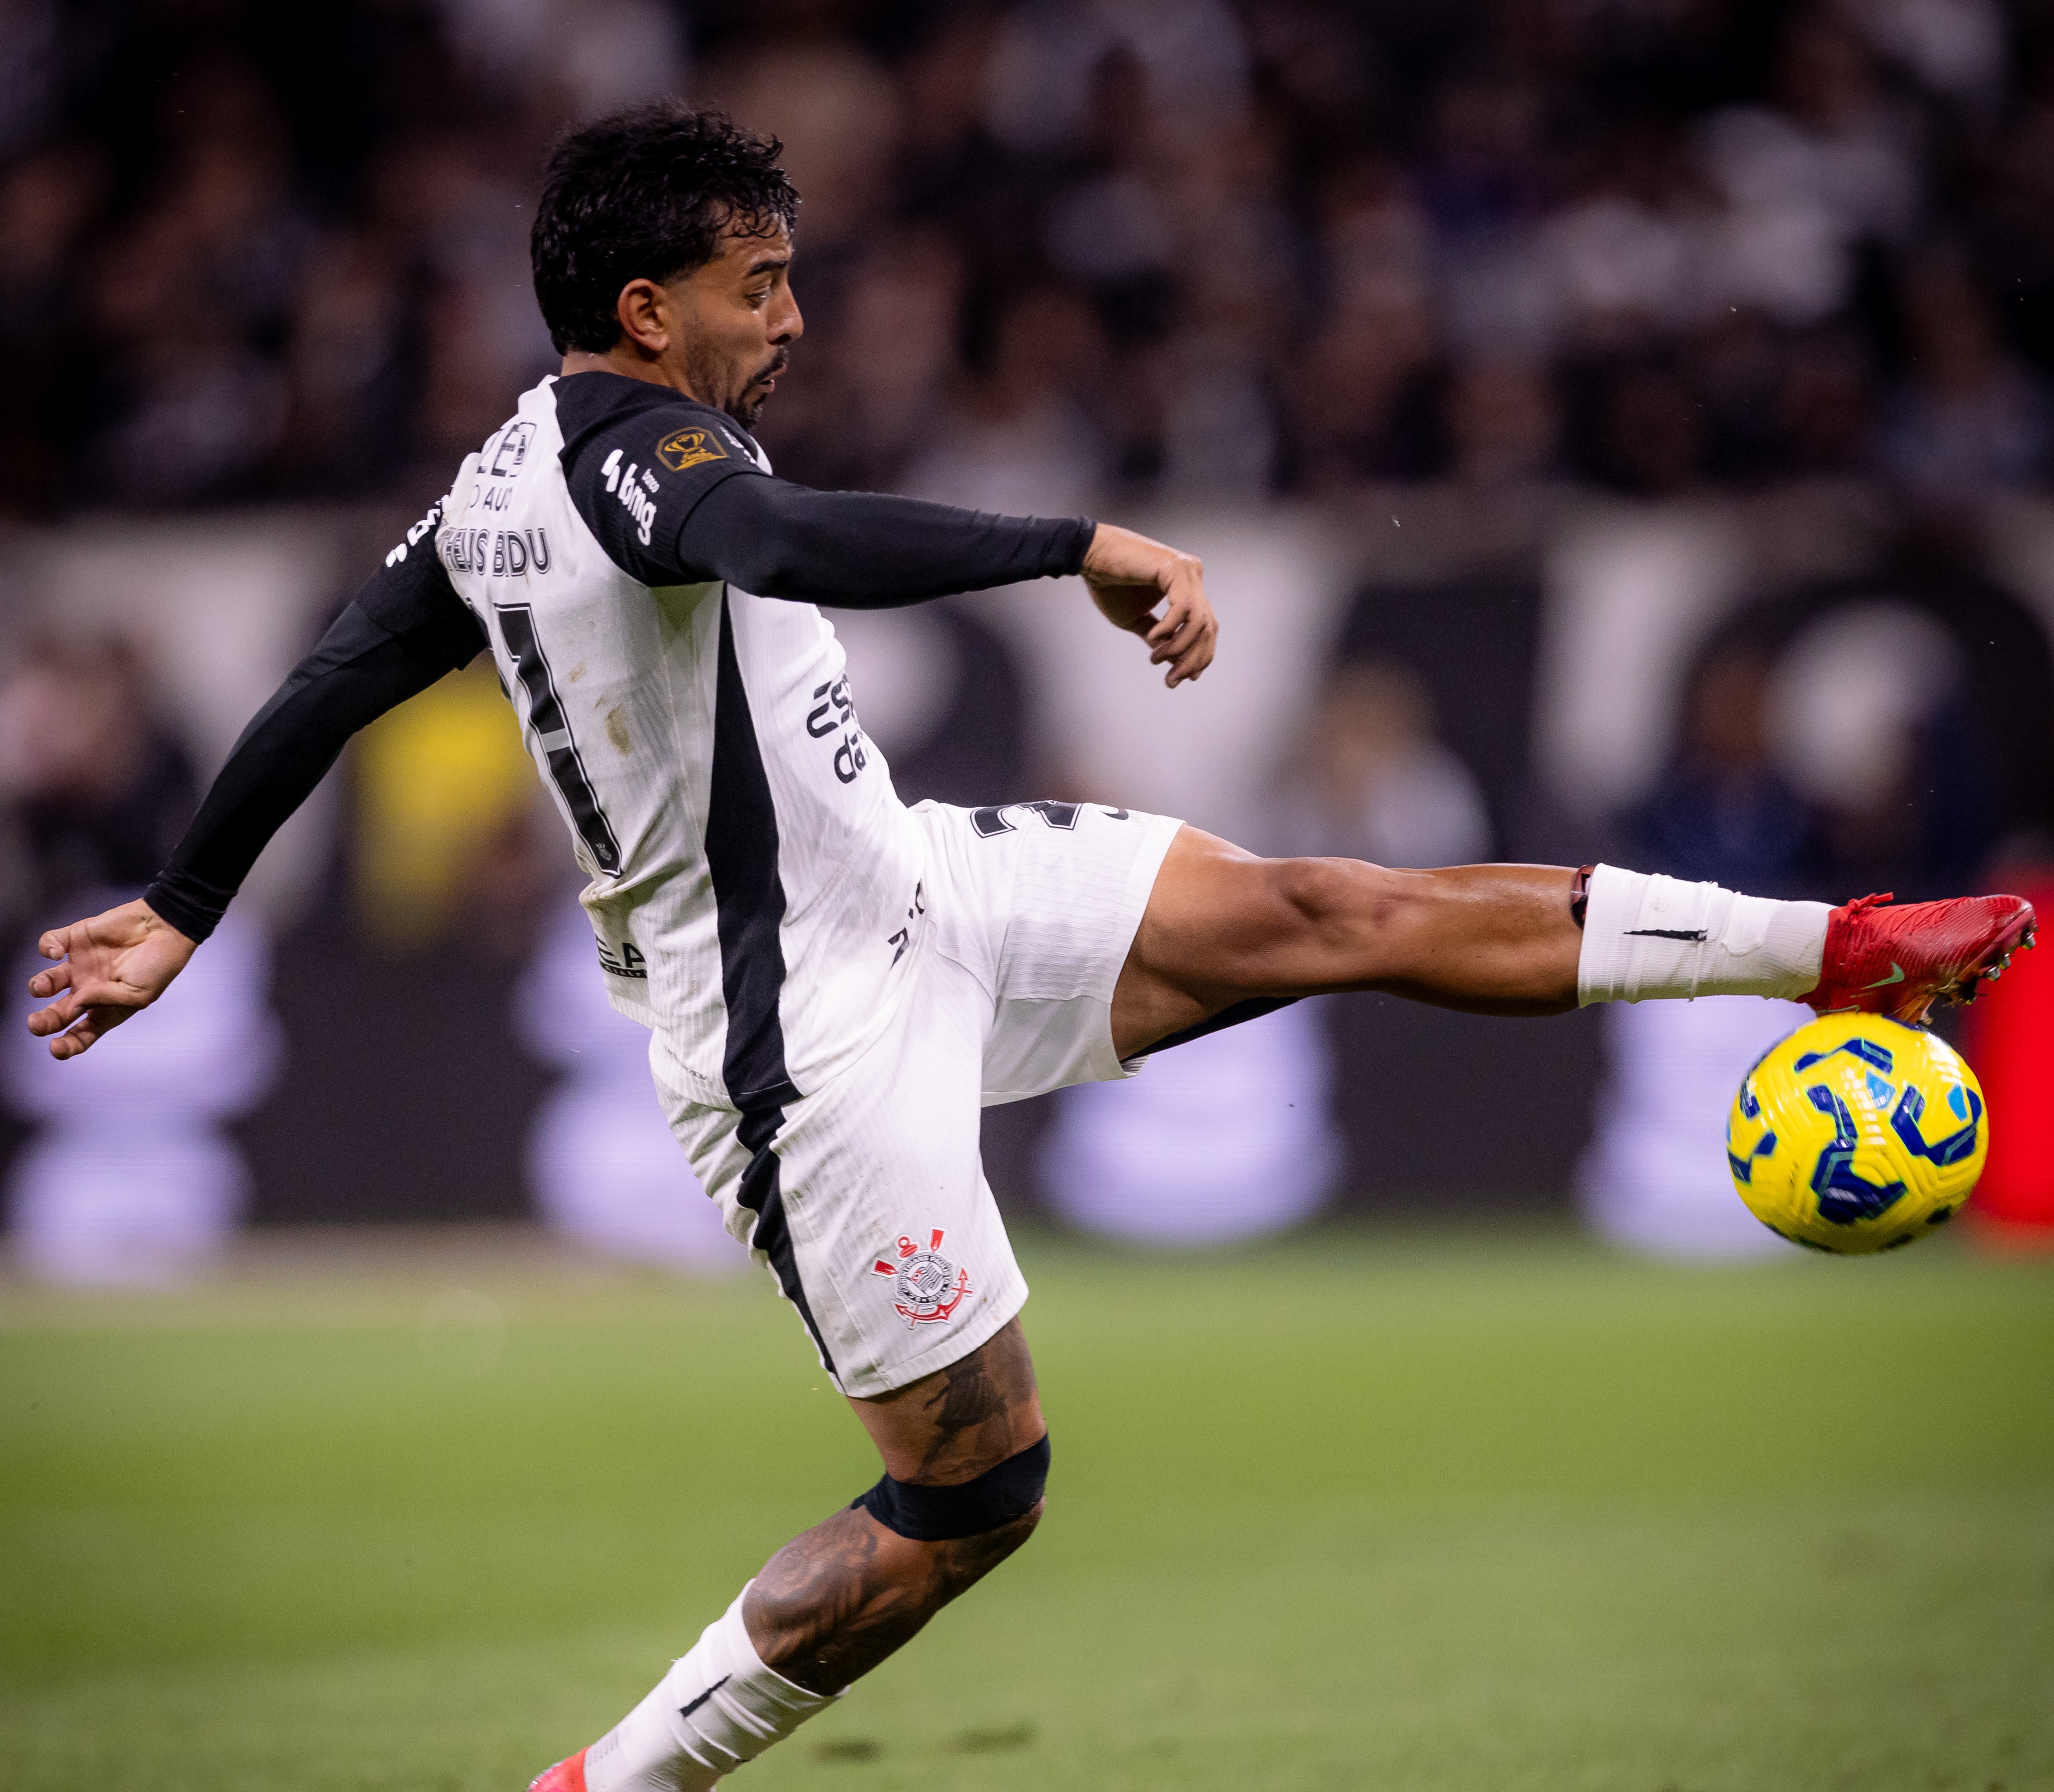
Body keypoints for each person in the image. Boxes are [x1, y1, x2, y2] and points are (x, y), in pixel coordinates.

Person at [22, 108, 2036, 1792]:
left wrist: (182, 909)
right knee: (973, 1494)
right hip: (797, 1035)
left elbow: (327, 675)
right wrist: (1074, 542)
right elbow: (779, 544)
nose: (793, 319)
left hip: (920, 882)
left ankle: (1843, 949)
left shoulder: (487, 497)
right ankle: (603, 1784)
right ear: (647, 312)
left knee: (1325, 906)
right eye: (760, 285)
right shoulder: (642, 467)